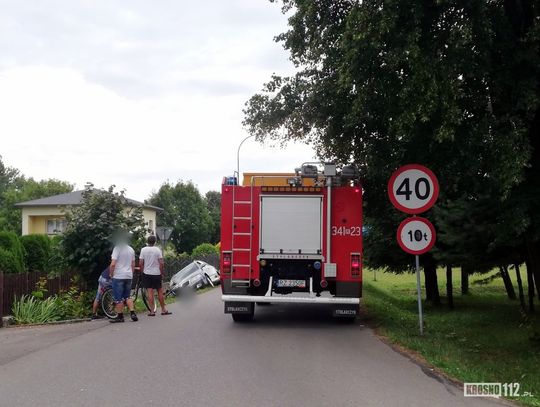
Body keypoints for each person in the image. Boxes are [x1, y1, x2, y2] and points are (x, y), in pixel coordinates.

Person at [139, 235, 171, 316]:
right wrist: (161, 272)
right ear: (155, 242)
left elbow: (140, 263)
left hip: (147, 273)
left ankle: (152, 311)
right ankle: (163, 310)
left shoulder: (143, 250)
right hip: (156, 273)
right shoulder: (157, 250)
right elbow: (161, 263)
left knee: (150, 292)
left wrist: (143, 272)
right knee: (160, 291)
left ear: (147, 241)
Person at [109, 237, 138, 323]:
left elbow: (113, 264)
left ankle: (120, 316)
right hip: (128, 275)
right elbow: (133, 264)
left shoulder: (117, 248)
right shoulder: (131, 249)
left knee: (118, 298)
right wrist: (130, 274)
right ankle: (132, 313)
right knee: (127, 296)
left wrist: (111, 274)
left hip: (118, 276)